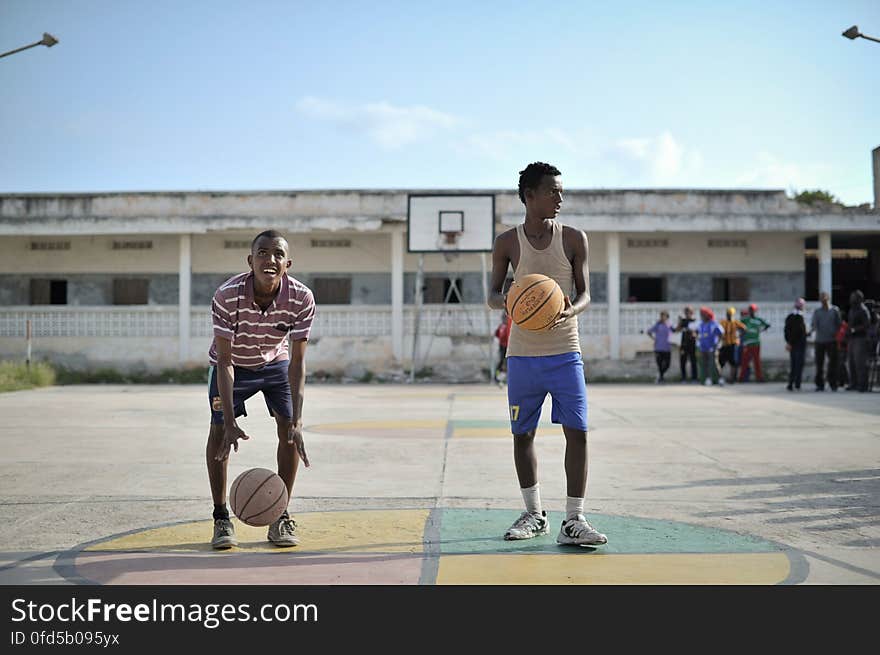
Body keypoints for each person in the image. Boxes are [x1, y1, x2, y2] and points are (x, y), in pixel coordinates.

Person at [488, 161, 606, 547]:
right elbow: (491, 294)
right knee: (522, 434)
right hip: (522, 354)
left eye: (561, 190)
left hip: (564, 350)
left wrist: (574, 308)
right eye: (553, 191)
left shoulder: (574, 238)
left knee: (579, 432)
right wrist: (507, 301)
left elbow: (586, 292)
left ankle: (574, 520)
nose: (560, 198)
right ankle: (534, 513)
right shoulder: (507, 242)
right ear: (529, 196)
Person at [206, 230, 315, 549]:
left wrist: (297, 419)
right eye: (263, 253)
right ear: (250, 260)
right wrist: (228, 420)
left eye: (278, 254)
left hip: (275, 362)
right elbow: (224, 361)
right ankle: (221, 517)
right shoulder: (227, 295)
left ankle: (281, 516)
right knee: (218, 434)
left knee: (290, 433)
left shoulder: (301, 297)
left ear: (288, 263)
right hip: (232, 365)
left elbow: (297, 362)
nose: (270, 259)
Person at [809, 291, 841, 391]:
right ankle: (820, 384)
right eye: (821, 298)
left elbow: (839, 324)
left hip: (832, 341)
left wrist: (837, 334)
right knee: (819, 364)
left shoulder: (835, 310)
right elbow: (814, 325)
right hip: (820, 341)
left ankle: (833, 384)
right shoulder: (817, 312)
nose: (823, 300)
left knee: (833, 364)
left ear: (828, 298)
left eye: (825, 297)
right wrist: (809, 332)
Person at [846, 290, 871, 392]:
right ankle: (854, 383)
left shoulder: (863, 310)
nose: (851, 299)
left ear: (859, 298)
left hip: (860, 339)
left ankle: (862, 385)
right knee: (851, 362)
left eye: (853, 297)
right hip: (852, 339)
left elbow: (867, 325)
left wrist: (854, 329)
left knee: (859, 363)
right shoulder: (852, 309)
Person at [738, 303, 770, 382]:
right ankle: (741, 378)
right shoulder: (745, 319)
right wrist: (742, 331)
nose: (751, 312)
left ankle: (759, 378)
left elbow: (767, 325)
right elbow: (738, 324)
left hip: (756, 343)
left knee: (757, 362)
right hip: (747, 343)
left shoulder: (758, 320)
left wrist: (761, 330)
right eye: (750, 310)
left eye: (753, 310)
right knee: (744, 362)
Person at [784, 297, 808, 391]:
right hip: (799, 344)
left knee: (794, 364)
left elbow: (786, 331)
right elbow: (798, 332)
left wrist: (788, 342)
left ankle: (791, 383)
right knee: (798, 364)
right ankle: (796, 384)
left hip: (793, 344)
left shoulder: (790, 316)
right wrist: (790, 342)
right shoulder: (799, 317)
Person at [695, 307, 723, 386]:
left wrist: (718, 344)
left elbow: (721, 334)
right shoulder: (701, 324)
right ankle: (708, 379)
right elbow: (698, 333)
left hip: (712, 347)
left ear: (707, 315)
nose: (701, 316)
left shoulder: (714, 324)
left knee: (714, 363)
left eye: (703, 314)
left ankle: (720, 378)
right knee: (705, 364)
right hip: (703, 347)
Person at [719, 307, 746, 384]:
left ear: (733, 314)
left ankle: (732, 378)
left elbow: (744, 329)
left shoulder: (736, 322)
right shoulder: (723, 322)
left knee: (733, 362)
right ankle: (719, 377)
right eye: (728, 314)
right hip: (724, 344)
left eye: (730, 314)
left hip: (733, 345)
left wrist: (739, 336)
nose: (729, 315)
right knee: (721, 362)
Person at [646, 310, 674, 383]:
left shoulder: (669, 324)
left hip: (667, 347)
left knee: (667, 364)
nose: (662, 317)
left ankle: (660, 375)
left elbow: (674, 330)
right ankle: (661, 378)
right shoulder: (657, 325)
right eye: (661, 316)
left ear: (667, 317)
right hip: (658, 347)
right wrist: (654, 338)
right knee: (660, 364)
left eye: (664, 316)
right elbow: (649, 331)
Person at [674, 306, 698, 383]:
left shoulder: (695, 321)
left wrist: (693, 333)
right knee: (683, 362)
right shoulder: (683, 321)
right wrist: (679, 322)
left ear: (692, 313)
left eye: (689, 312)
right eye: (686, 312)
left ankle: (694, 378)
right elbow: (676, 330)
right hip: (684, 344)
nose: (688, 313)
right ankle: (683, 378)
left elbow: (697, 333)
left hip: (692, 344)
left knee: (693, 361)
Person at [494, 310, 512, 384]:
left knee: (508, 362)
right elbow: (497, 335)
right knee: (501, 361)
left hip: (508, 346)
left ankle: (506, 377)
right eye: (503, 317)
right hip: (503, 347)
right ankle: (497, 376)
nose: (504, 319)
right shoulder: (501, 326)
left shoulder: (508, 326)